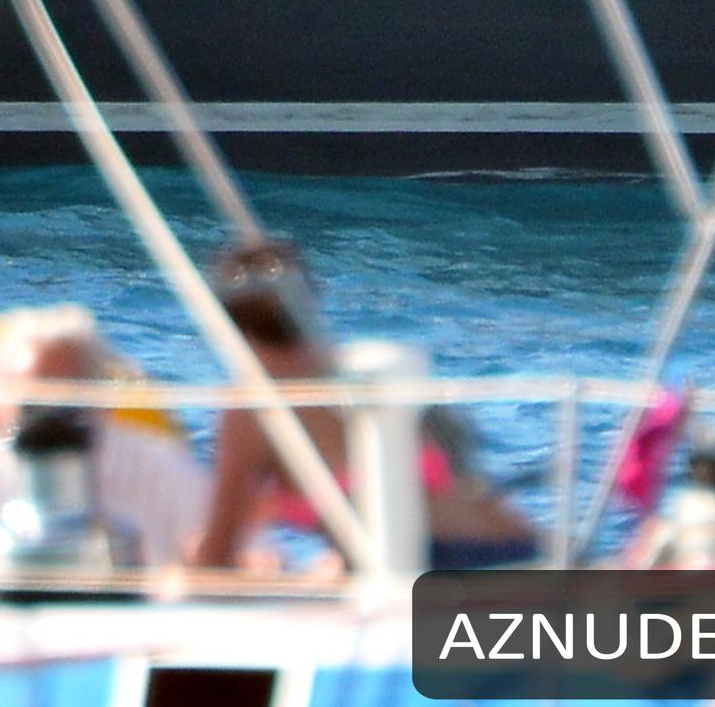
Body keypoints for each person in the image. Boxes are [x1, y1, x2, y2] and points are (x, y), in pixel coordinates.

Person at [189, 240, 535, 572]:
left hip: (437, 564)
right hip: (521, 551)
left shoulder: (255, 406)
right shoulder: (360, 370)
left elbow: (218, 553)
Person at [0, 306, 207, 570]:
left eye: (66, 398)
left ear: (100, 400)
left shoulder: (156, 469)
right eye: (32, 402)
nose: (49, 417)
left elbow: (221, 557)